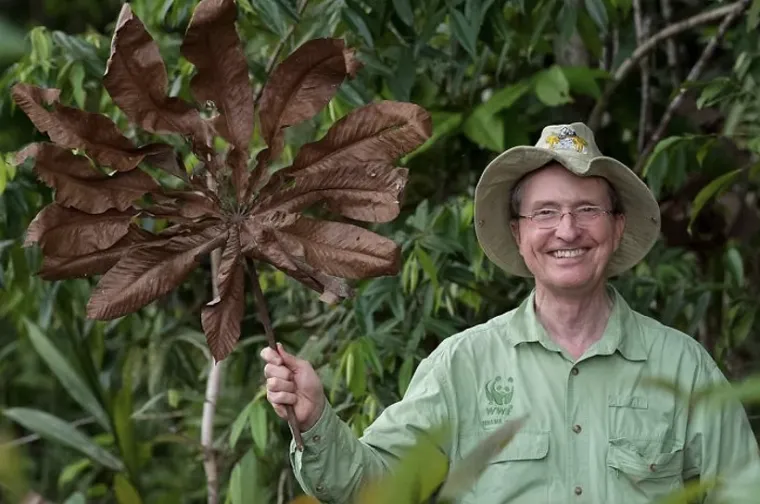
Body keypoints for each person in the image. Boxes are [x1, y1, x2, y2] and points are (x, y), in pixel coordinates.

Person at [260, 122, 760, 504]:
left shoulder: (683, 366)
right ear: (519, 234)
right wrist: (316, 419)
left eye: (588, 209)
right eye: (545, 212)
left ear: (616, 227)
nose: (567, 230)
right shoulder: (463, 366)